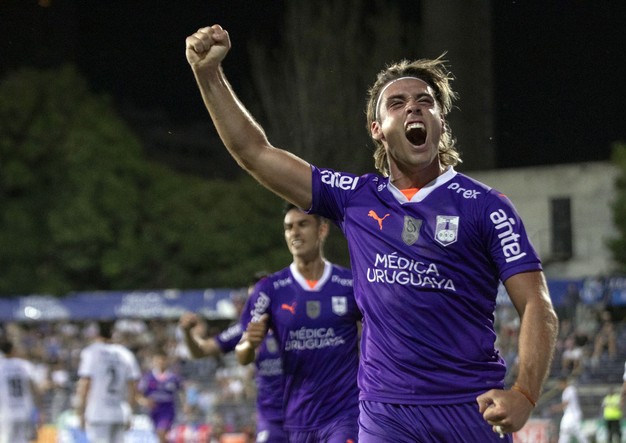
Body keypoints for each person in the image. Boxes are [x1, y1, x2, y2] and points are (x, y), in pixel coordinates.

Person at [185, 24, 558, 440]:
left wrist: (524, 393)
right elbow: (255, 154)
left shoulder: (486, 206)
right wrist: (209, 76)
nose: (414, 108)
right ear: (377, 128)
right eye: (397, 103)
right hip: (385, 414)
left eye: (425, 102)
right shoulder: (355, 198)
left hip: (470, 410)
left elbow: (537, 306)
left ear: (440, 121)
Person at [236, 204, 361, 442]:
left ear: (322, 230)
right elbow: (242, 356)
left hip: (344, 413)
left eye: (302, 224)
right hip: (298, 417)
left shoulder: (349, 284)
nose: (294, 232)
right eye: (288, 227)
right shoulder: (269, 289)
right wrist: (249, 345)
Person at [179, 275, 286, 443]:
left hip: (307, 414)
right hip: (271, 418)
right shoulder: (245, 329)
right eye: (253, 298)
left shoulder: (298, 324)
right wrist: (187, 332)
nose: (257, 304)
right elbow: (201, 351)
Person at [75, 320, 141, 443]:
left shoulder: (91, 352)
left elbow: (85, 384)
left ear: (96, 333)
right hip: (120, 412)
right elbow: (133, 387)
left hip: (98, 413)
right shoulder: (126, 354)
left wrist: (80, 413)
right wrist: (131, 413)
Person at [137, 351, 185, 443]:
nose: (160, 362)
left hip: (167, 410)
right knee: (161, 436)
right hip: (154, 411)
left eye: (163, 360)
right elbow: (139, 395)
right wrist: (144, 401)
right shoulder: (148, 377)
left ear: (167, 361)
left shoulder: (173, 378)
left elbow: (182, 392)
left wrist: (185, 405)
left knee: (161, 432)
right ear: (154, 361)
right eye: (158, 360)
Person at [0, 340, 40, 443]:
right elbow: (34, 388)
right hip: (25, 410)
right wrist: (39, 409)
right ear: (13, 350)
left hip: (6, 412)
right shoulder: (25, 365)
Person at [549, 376, 587, 443]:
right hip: (570, 415)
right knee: (574, 432)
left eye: (560, 383)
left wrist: (555, 408)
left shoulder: (570, 390)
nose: (559, 386)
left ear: (564, 382)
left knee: (568, 431)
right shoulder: (566, 391)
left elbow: (565, 403)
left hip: (572, 415)